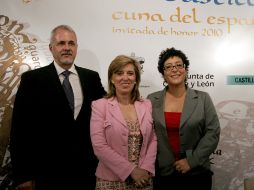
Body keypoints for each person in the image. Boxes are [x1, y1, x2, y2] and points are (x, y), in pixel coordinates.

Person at [9, 25, 106, 190]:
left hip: (86, 172)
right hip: (46, 173)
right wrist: (23, 175)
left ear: (76, 47)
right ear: (51, 48)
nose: (67, 48)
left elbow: (109, 109)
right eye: (61, 43)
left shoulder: (91, 77)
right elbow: (20, 130)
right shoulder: (32, 79)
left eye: (71, 43)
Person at [147, 47, 220, 190]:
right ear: (163, 74)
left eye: (178, 65)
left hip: (197, 173)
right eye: (168, 67)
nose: (174, 69)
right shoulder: (151, 100)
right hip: (163, 174)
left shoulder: (203, 98)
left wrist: (191, 161)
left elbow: (213, 132)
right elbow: (147, 135)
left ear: (185, 70)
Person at [90, 55, 157, 189]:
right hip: (110, 180)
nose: (125, 78)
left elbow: (152, 139)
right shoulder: (100, 105)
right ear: (112, 79)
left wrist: (146, 169)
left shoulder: (146, 104)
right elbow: (99, 146)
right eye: (119, 73)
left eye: (130, 73)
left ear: (136, 79)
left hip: (143, 180)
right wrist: (132, 171)